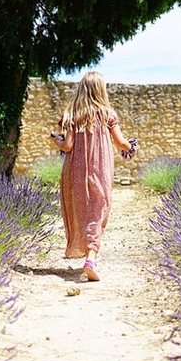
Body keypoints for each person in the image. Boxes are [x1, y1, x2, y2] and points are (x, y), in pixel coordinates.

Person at [50, 71, 138, 281]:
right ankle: (91, 256)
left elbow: (68, 145)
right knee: (98, 209)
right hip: (100, 168)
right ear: (101, 90)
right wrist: (132, 148)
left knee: (81, 209)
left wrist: (56, 140)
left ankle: (86, 250)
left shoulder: (73, 114)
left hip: (75, 170)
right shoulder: (107, 114)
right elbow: (120, 143)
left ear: (82, 89)